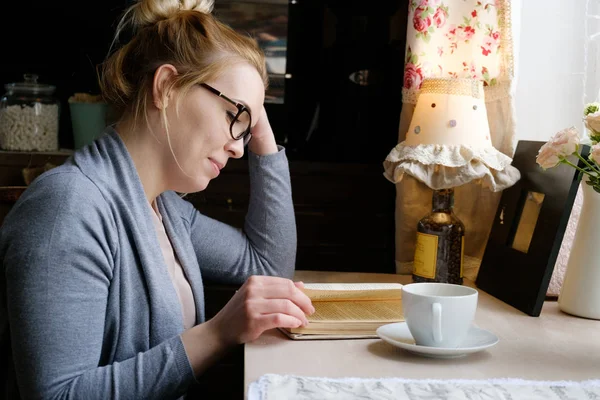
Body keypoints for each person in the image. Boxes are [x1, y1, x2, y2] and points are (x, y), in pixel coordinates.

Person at [0, 0, 314, 398]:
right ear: (166, 86)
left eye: (246, 128)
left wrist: (259, 131)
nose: (239, 148)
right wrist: (217, 333)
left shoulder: (165, 209)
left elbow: (269, 265)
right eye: (234, 116)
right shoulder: (68, 207)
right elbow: (57, 394)